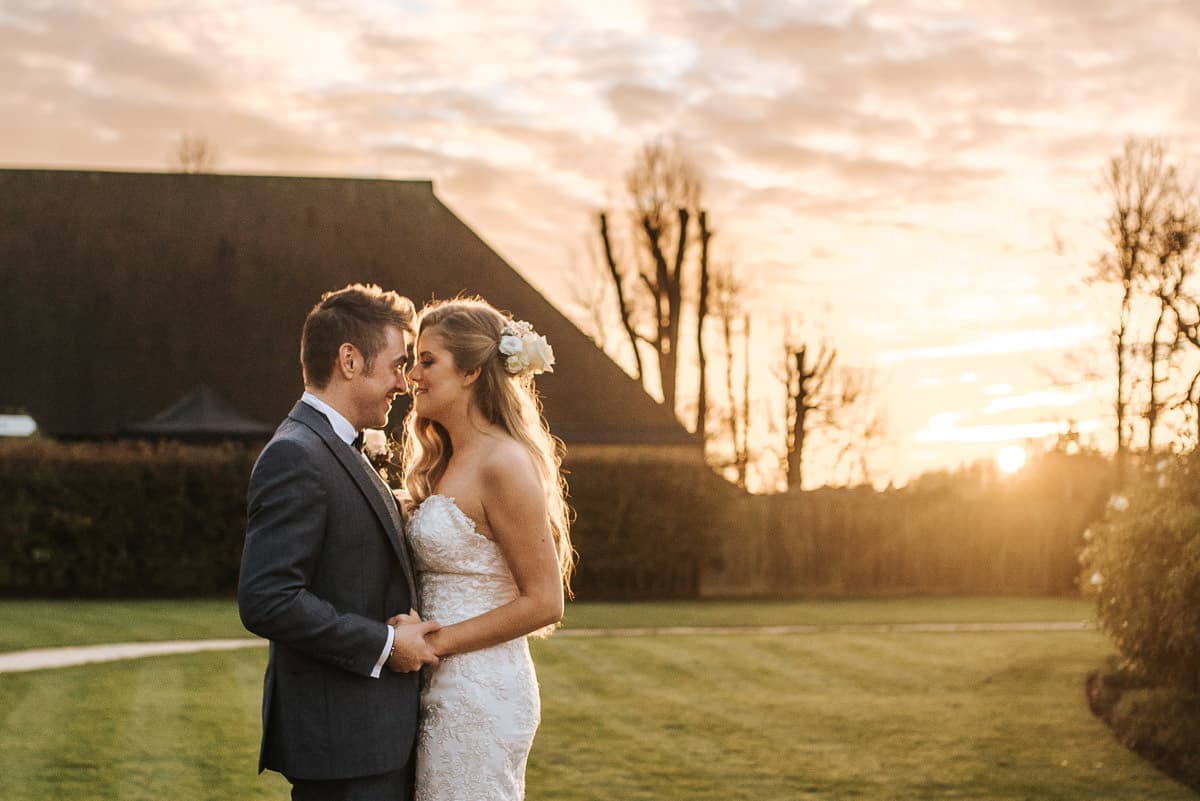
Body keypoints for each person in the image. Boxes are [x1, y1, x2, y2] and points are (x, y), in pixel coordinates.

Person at [238, 283, 440, 801]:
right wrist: (387, 645)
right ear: (349, 360)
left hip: (367, 740)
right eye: (397, 365)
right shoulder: (297, 455)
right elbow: (268, 599)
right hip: (342, 745)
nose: (404, 382)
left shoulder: (333, 446)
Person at [397, 297, 574, 801]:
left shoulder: (504, 462)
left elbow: (544, 602)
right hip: (439, 686)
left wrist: (433, 643)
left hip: (480, 690)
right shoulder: (447, 460)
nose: (413, 375)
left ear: (472, 370)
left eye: (427, 360)